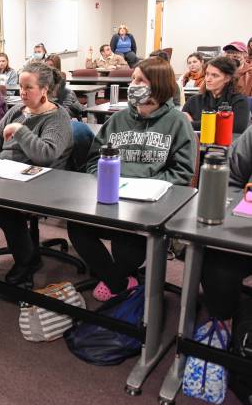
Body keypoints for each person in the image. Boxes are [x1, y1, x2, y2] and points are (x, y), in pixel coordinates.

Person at [67, 57, 196, 301]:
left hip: (148, 204)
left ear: (157, 85)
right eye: (133, 79)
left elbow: (182, 172)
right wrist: (103, 180)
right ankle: (120, 282)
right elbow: (94, 160)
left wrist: (149, 186)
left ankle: (116, 278)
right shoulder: (118, 119)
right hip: (111, 197)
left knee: (127, 246)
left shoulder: (178, 122)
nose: (133, 84)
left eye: (140, 80)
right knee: (77, 226)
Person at [0, 62, 73, 288]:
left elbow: (46, 155)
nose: (22, 92)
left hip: (41, 179)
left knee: (0, 203)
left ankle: (27, 259)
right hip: (4, 175)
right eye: (20, 87)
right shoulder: (15, 111)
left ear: (45, 90)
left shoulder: (58, 118)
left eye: (28, 87)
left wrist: (21, 131)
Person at [200, 125, 252, 333]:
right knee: (216, 259)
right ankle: (222, 323)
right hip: (246, 228)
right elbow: (232, 178)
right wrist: (233, 212)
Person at [182, 56, 250, 134]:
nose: (208, 79)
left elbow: (237, 128)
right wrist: (219, 123)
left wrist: (193, 124)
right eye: (207, 74)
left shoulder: (239, 101)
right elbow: (181, 125)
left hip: (227, 145)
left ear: (227, 78)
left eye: (214, 75)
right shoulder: (194, 100)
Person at [45, 54, 83, 119]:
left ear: (56, 66)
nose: (48, 68)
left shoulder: (60, 77)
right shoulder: (43, 76)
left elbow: (57, 96)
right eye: (46, 65)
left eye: (51, 65)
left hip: (67, 102)